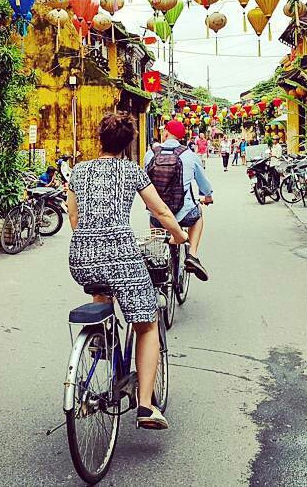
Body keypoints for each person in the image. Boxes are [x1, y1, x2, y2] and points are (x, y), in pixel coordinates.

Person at [68, 113, 187, 431]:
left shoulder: (78, 172)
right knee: (146, 324)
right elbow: (159, 210)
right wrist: (179, 236)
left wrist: (92, 243)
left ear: (100, 139)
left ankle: (100, 340)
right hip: (122, 256)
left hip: (81, 257)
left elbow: (75, 219)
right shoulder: (133, 171)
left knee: (101, 290)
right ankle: (146, 407)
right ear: (129, 143)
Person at [144, 119, 213, 282]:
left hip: (158, 216)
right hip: (184, 213)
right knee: (198, 216)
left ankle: (159, 256)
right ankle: (192, 256)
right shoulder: (190, 155)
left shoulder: (150, 154)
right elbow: (204, 184)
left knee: (154, 218)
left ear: (165, 133)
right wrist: (208, 196)